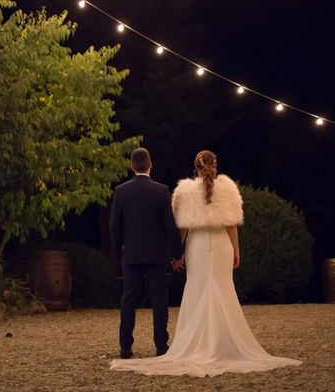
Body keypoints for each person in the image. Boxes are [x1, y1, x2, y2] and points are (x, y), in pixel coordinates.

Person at [110, 150, 302, 377]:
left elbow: (180, 227)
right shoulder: (227, 189)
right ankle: (201, 342)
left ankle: (151, 345)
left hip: (195, 247)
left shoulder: (183, 191)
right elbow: (231, 223)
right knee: (220, 289)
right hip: (222, 245)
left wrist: (177, 253)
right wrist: (236, 250)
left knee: (195, 290)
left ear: (196, 167)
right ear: (215, 164)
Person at [109, 147, 184, 359]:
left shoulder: (121, 191)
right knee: (159, 299)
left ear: (132, 167)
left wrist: (118, 253)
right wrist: (177, 253)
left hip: (131, 254)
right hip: (157, 254)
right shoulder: (161, 191)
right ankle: (161, 345)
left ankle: (125, 346)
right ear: (150, 165)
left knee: (129, 299)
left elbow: (115, 228)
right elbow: (170, 226)